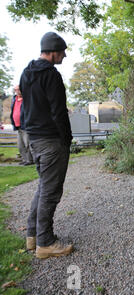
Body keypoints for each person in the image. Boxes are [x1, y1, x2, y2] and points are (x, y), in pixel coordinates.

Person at [20, 32, 74, 259]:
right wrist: (67, 139)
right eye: (62, 52)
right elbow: (58, 111)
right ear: (53, 52)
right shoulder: (50, 75)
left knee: (43, 188)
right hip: (51, 140)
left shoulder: (27, 73)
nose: (64, 56)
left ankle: (32, 237)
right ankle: (46, 243)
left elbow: (25, 108)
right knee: (50, 192)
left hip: (34, 138)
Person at [10, 85, 34, 165]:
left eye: (18, 89)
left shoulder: (27, 99)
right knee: (20, 145)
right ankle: (25, 159)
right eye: (15, 90)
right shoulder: (14, 99)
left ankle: (30, 160)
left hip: (25, 125)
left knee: (27, 144)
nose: (17, 91)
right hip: (17, 126)